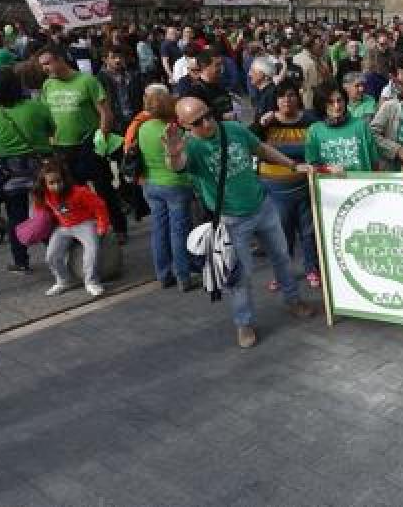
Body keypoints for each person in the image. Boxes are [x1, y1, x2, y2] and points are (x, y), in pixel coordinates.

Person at [165, 96, 316, 349]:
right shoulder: (190, 147)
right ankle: (243, 322)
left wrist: (292, 165)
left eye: (209, 114)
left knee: (282, 256)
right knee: (239, 274)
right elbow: (177, 166)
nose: (207, 123)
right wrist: (172, 152)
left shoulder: (232, 129)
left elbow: (261, 148)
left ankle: (293, 299)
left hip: (262, 206)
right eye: (198, 122)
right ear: (184, 125)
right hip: (230, 219)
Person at [37, 46, 128, 244]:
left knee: (104, 188)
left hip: (88, 144)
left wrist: (100, 138)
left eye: (48, 62)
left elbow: (106, 112)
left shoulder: (87, 81)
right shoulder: (47, 85)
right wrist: (50, 140)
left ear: (60, 59)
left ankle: (119, 226)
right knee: (73, 193)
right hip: (62, 147)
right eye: (42, 65)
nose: (45, 68)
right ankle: (85, 230)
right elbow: (45, 114)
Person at [0, 70, 53, 272]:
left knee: (15, 216)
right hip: (40, 168)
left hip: (9, 172)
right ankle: (56, 252)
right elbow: (51, 131)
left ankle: (21, 261)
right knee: (47, 210)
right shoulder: (38, 107)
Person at [252, 83, 321, 289]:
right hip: (275, 191)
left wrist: (277, 152)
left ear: (297, 97)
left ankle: (312, 269)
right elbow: (254, 146)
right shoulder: (266, 123)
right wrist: (261, 125)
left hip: (304, 188)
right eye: (280, 97)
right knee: (282, 235)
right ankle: (282, 273)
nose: (286, 101)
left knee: (308, 233)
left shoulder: (310, 120)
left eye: (290, 95)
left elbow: (314, 149)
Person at [134, 84, 196, 291]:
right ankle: (183, 276)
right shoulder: (174, 131)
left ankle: (163, 274)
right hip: (176, 185)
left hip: (152, 184)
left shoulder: (143, 128)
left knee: (159, 230)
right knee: (179, 231)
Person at [33, 158, 110, 298]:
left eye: (58, 181)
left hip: (85, 223)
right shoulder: (44, 195)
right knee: (51, 255)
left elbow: (99, 206)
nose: (56, 186)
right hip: (63, 227)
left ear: (64, 179)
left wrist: (102, 225)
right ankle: (62, 281)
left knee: (92, 249)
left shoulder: (79, 192)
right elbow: (40, 210)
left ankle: (91, 282)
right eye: (51, 183)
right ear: (44, 184)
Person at [305, 80, 379, 173]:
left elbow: (375, 163)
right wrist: (327, 169)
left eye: (339, 100)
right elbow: (311, 167)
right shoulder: (314, 130)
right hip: (329, 185)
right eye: (330, 102)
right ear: (321, 105)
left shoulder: (361, 125)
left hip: (361, 185)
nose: (337, 106)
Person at [96, 47, 145, 134]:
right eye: (113, 57)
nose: (118, 60)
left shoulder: (132, 75)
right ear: (105, 60)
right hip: (115, 124)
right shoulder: (99, 80)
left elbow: (139, 96)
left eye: (120, 57)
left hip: (133, 119)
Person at [246, 55, 280, 121]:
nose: (249, 74)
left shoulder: (272, 94)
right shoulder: (261, 92)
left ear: (261, 74)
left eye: (252, 71)